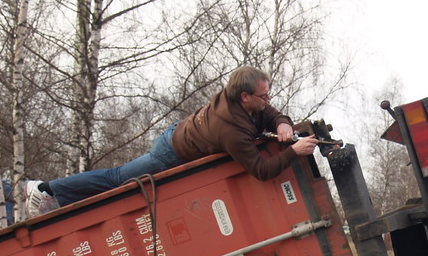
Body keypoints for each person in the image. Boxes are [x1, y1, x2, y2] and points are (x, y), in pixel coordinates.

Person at [24, 66, 318, 217]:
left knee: (119, 182)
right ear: (245, 97)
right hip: (171, 153)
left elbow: (270, 113)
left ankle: (54, 195)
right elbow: (261, 171)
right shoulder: (231, 128)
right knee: (117, 180)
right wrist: (294, 151)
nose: (268, 100)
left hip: (181, 134)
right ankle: (46, 191)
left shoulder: (243, 104)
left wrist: (282, 123)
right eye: (263, 95)